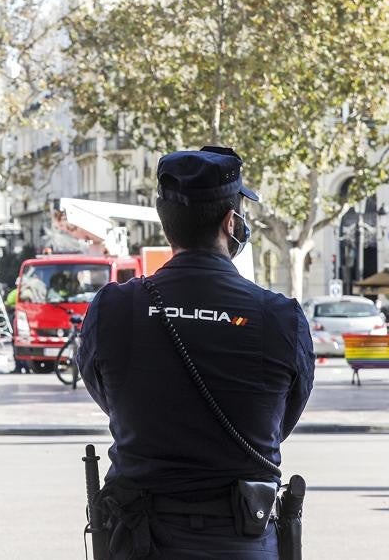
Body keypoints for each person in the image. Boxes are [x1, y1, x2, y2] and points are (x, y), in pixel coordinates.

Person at [76, 146, 315, 559]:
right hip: (242, 540)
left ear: (167, 227)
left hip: (140, 541)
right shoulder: (281, 318)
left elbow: (108, 397)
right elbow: (282, 419)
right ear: (231, 222)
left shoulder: (113, 309)